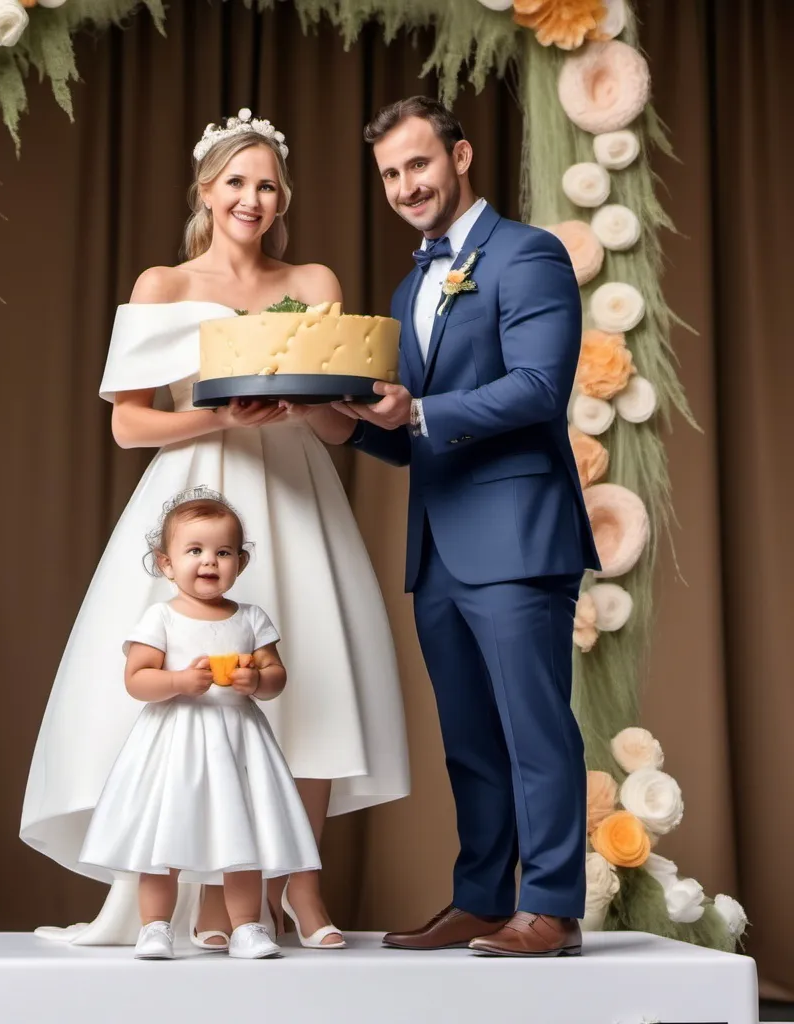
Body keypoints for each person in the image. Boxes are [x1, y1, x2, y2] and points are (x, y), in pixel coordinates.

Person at [20, 109, 410, 951]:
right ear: (206, 191)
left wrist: (317, 407)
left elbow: (340, 431)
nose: (253, 197)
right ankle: (204, 894)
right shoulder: (163, 285)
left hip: (298, 494)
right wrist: (216, 417)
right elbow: (128, 426)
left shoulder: (315, 280)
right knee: (197, 692)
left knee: (310, 687)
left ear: (283, 197)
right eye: (237, 181)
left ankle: (302, 890)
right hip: (199, 493)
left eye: (267, 184)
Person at [333, 96, 601, 957]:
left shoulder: (527, 254)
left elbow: (537, 388)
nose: (406, 186)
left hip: (520, 535)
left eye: (418, 164)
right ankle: (482, 900)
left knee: (535, 729)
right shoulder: (410, 285)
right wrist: (340, 422)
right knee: (471, 743)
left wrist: (416, 410)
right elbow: (413, 431)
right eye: (389, 175)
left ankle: (551, 908)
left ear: (460, 155)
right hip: (437, 546)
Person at [77, 488, 320, 960]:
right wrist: (178, 680)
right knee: (162, 838)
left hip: (237, 742)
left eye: (223, 552)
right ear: (166, 563)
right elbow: (136, 679)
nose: (209, 561)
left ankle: (247, 926)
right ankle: (155, 927)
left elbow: (276, 675)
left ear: (241, 564)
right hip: (176, 740)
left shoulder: (250, 618)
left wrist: (256, 680)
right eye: (195, 551)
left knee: (241, 835)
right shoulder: (161, 617)